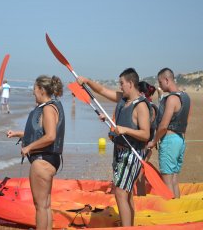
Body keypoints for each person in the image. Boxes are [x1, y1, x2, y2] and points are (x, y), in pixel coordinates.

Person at [77, 68, 150, 227]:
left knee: (120, 193)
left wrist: (125, 129)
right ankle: (128, 225)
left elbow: (145, 134)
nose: (120, 86)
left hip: (132, 154)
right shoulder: (123, 100)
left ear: (130, 84)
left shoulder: (141, 106)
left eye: (122, 83)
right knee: (126, 194)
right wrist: (87, 81)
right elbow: (102, 90)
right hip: (119, 152)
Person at [7, 75, 65, 230]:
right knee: (45, 205)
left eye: (34, 88)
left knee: (40, 206)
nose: (33, 92)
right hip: (50, 159)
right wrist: (18, 134)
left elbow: (51, 136)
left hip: (42, 161)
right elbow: (39, 132)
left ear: (41, 89)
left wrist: (29, 147)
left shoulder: (47, 108)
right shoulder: (52, 106)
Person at [147, 68, 191, 199]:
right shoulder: (186, 97)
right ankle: (178, 208)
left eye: (160, 82)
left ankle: (171, 212)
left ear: (167, 80)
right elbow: (186, 121)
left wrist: (153, 141)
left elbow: (163, 126)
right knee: (174, 180)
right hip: (180, 140)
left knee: (167, 182)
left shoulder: (172, 99)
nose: (159, 85)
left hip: (170, 141)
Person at [136, 81, 158, 196]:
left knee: (139, 175)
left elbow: (145, 127)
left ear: (141, 93)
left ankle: (141, 200)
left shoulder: (148, 107)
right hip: (146, 145)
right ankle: (141, 195)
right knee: (140, 174)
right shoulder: (151, 105)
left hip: (145, 146)